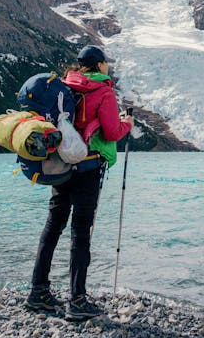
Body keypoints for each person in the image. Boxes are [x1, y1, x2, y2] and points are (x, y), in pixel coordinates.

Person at [26, 45, 133, 319]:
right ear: (99, 66)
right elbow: (111, 132)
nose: (108, 66)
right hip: (88, 166)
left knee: (53, 226)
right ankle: (77, 300)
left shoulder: (66, 85)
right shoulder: (104, 91)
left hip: (61, 165)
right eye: (105, 63)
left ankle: (38, 292)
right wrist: (128, 124)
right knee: (81, 233)